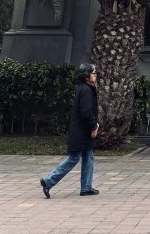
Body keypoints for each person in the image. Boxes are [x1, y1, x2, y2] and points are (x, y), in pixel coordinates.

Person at [40, 62, 100, 198]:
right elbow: (86, 112)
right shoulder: (85, 90)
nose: (95, 75)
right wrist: (94, 126)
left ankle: (86, 187)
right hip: (81, 131)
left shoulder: (85, 89)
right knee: (74, 158)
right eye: (93, 72)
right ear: (86, 76)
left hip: (82, 131)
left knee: (88, 156)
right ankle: (48, 181)